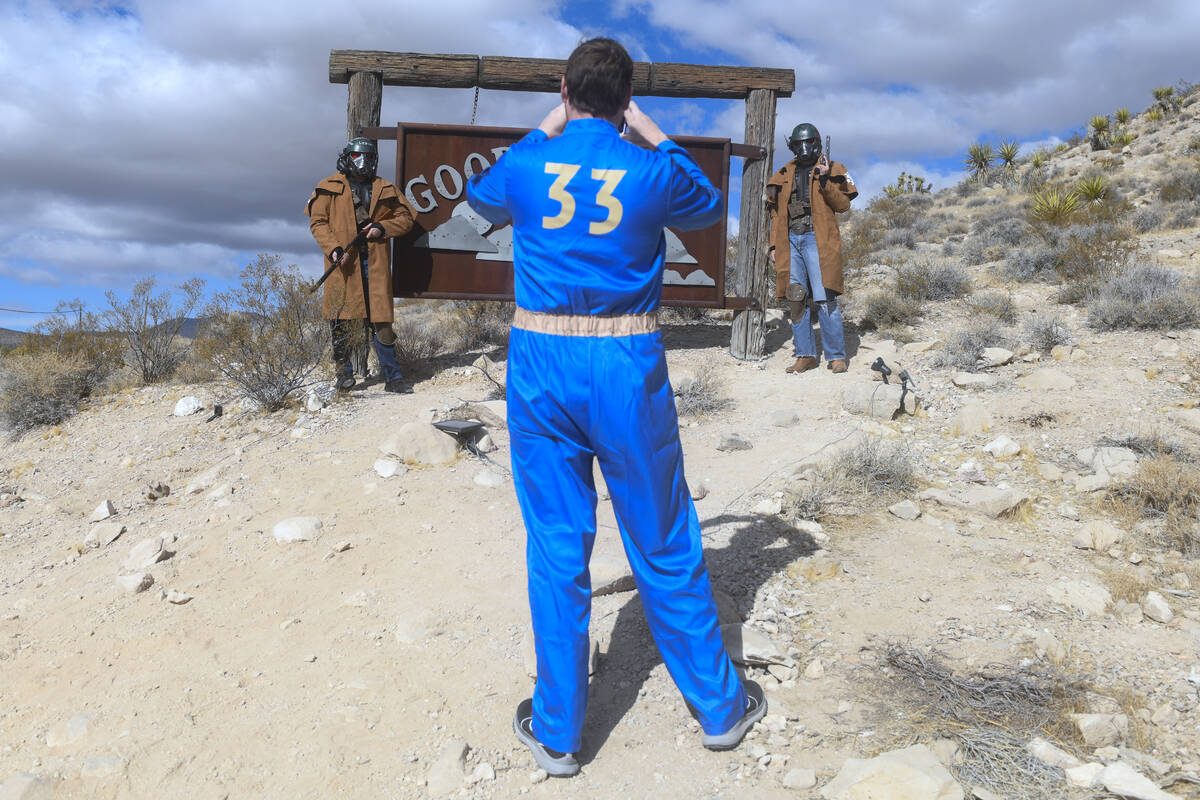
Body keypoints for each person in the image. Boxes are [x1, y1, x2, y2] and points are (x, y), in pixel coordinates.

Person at [466, 37, 764, 778]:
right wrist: (649, 129)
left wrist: (548, 125)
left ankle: (560, 731)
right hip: (626, 363)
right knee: (661, 536)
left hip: (542, 362)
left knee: (557, 545)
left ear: (566, 87)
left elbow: (478, 199)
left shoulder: (531, 163)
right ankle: (721, 710)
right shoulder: (651, 169)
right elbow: (706, 198)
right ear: (626, 97)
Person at [305, 137, 417, 392]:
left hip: (375, 260)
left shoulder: (385, 188)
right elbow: (318, 222)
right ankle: (343, 375)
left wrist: (381, 227)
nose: (363, 162)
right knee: (341, 318)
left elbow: (406, 218)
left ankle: (393, 377)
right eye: (357, 157)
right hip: (344, 262)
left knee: (381, 320)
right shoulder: (328, 187)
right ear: (347, 158)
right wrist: (333, 249)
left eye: (367, 157)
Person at [766, 123, 857, 374]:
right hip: (790, 241)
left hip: (817, 239)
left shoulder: (833, 168)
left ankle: (836, 355)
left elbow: (843, 205)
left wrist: (826, 178)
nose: (803, 148)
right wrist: (774, 245)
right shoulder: (784, 172)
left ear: (816, 142)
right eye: (798, 144)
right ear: (792, 146)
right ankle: (805, 355)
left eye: (807, 143)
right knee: (796, 298)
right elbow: (775, 213)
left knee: (824, 297)